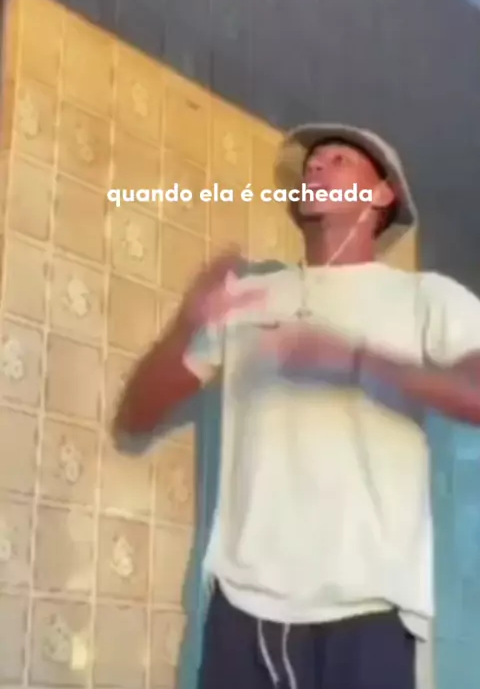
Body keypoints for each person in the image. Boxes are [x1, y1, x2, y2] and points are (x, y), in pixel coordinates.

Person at [113, 123, 480, 689]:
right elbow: (134, 419)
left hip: (372, 610)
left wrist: (354, 360)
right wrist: (186, 323)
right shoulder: (248, 297)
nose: (315, 167)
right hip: (242, 610)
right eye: (312, 163)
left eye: (338, 160)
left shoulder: (424, 297)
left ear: (382, 194)